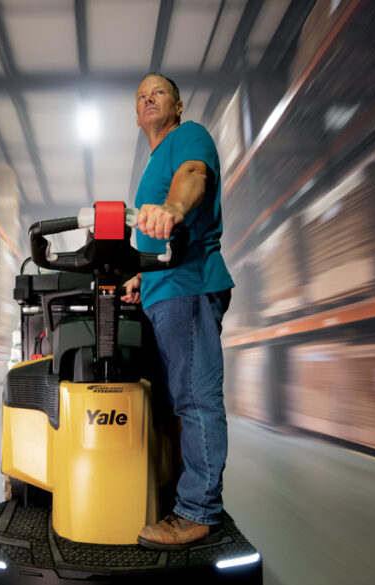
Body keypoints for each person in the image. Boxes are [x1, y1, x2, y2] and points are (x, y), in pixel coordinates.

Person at [121, 73, 235, 550]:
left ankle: (198, 511)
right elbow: (151, 242)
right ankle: (183, 492)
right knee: (174, 404)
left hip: (187, 285)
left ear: (179, 104)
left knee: (194, 398)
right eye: (142, 96)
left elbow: (194, 177)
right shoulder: (151, 161)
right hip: (163, 288)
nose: (149, 99)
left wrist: (171, 207)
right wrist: (139, 278)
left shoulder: (188, 138)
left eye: (158, 93)